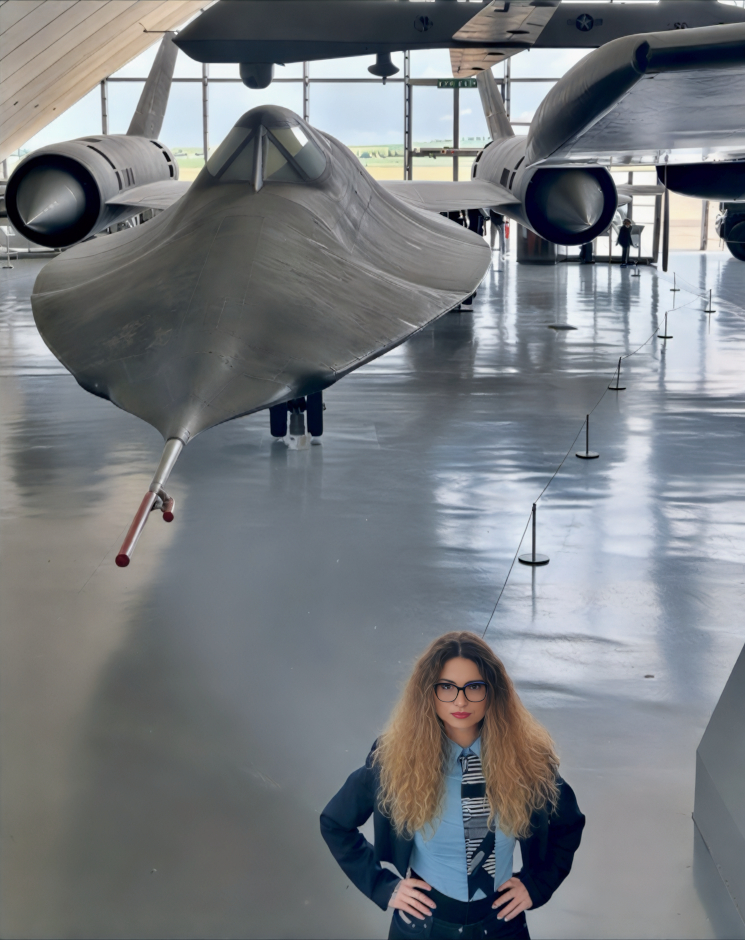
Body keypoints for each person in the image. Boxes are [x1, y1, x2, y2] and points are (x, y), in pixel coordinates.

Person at [320, 632, 585, 939]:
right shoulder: (395, 760)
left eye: (474, 687)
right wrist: (382, 886)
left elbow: (569, 825)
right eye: (446, 687)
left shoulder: (528, 760)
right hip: (423, 927)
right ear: (428, 693)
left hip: (502, 926)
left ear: (493, 692)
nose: (460, 700)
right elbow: (335, 823)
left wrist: (537, 885)